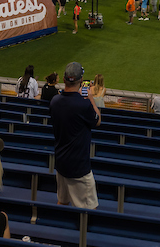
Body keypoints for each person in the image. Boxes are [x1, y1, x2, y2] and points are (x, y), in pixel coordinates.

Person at [49, 62, 100, 209]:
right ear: (80, 80)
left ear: (64, 79)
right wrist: (91, 99)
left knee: (62, 201)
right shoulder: (83, 105)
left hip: (61, 161)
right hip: (78, 166)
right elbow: (97, 121)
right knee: (90, 209)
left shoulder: (55, 101)